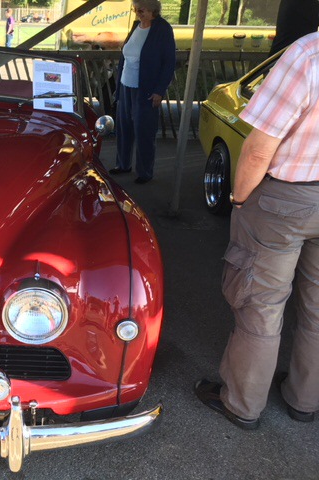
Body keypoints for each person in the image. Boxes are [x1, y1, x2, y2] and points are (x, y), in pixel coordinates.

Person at [195, 31, 319, 430]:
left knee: (261, 305)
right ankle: (305, 399)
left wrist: (240, 200)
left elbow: (259, 149)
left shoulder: (308, 53)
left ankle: (242, 404)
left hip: (287, 199)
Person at [108, 0, 175, 184]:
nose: (137, 13)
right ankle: (123, 164)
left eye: (141, 10)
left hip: (145, 89)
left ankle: (145, 172)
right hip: (125, 85)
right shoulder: (136, 26)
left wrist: (159, 91)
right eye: (135, 9)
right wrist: (118, 88)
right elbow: (126, 57)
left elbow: (169, 63)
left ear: (153, 10)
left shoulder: (163, 29)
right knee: (123, 128)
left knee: (144, 131)